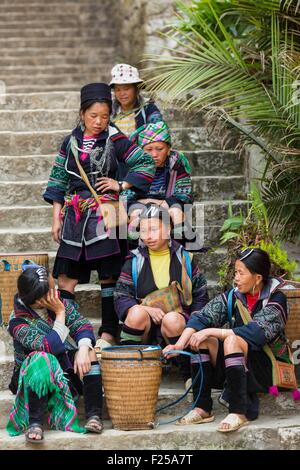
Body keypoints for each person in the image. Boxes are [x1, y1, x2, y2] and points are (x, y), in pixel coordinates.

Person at [43, 82, 156, 349]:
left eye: (105, 116)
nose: (99, 121)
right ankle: (67, 331)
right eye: (93, 116)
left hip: (106, 216)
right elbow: (58, 180)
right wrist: (56, 217)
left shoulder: (115, 138)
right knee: (66, 278)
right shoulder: (70, 143)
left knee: (108, 276)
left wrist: (122, 185)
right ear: (82, 114)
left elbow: (145, 162)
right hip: (76, 217)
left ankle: (108, 332)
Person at [164, 248, 292, 432]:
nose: (236, 278)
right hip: (239, 363)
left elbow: (256, 333)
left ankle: (239, 411)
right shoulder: (234, 295)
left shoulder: (276, 298)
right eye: (235, 272)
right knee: (201, 340)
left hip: (268, 366)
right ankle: (202, 408)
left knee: (231, 340)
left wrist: (211, 331)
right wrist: (179, 344)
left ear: (257, 278)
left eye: (241, 273)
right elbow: (202, 317)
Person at [114, 204, 209, 385]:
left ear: (168, 229)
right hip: (146, 330)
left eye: (154, 229)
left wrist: (195, 324)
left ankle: (188, 373)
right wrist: (147, 310)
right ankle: (132, 369)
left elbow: (200, 296)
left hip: (178, 329)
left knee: (172, 319)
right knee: (135, 313)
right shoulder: (135, 261)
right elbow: (120, 296)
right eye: (143, 231)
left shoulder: (185, 259)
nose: (147, 236)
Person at [6, 265, 103, 443]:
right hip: (31, 377)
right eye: (51, 289)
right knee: (41, 358)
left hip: (62, 368)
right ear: (38, 299)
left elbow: (83, 326)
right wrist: (59, 314)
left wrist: (82, 348)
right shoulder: (17, 321)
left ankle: (94, 416)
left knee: (89, 352)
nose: (55, 291)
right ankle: (34, 422)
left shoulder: (56, 301)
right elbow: (47, 347)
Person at [126, 121, 195, 248]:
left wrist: (157, 202)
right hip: (138, 207)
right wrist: (149, 204)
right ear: (141, 151)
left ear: (168, 149)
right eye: (148, 149)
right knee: (135, 215)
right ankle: (134, 254)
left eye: (159, 149)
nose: (154, 154)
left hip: (168, 205)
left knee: (177, 212)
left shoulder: (177, 163)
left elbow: (184, 195)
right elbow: (126, 196)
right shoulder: (133, 165)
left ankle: (178, 251)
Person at [110, 63, 163, 141]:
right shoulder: (110, 111)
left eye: (126, 89)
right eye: (117, 90)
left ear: (136, 89)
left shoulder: (148, 109)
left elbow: (158, 132)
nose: (122, 93)